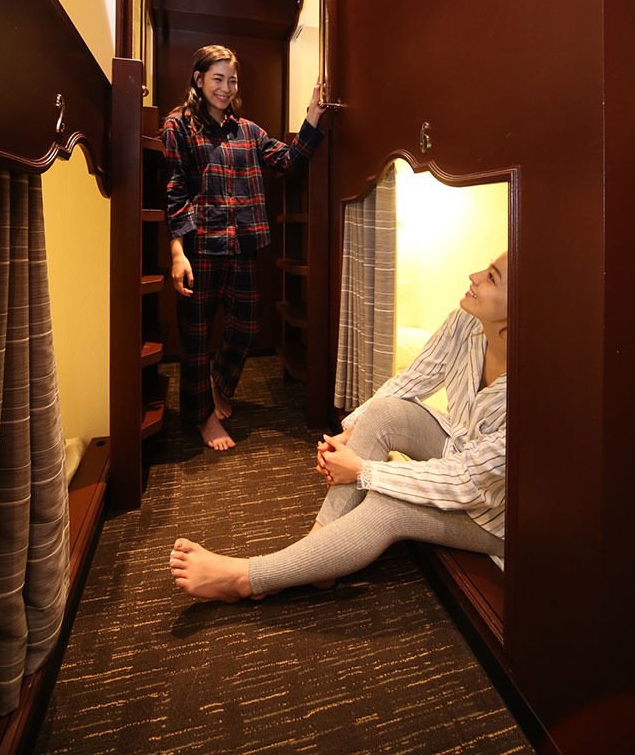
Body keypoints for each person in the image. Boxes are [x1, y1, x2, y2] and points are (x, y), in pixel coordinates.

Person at [169, 251, 508, 600]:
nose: (474, 275)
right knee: (384, 412)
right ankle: (318, 557)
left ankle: (247, 578)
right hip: (459, 449)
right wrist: (353, 432)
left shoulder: (528, 398)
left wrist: (363, 471)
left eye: (492, 277)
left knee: (389, 504)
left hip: (493, 512)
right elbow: (412, 380)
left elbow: (468, 482)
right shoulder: (466, 323)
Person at [161, 44, 325, 451]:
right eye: (217, 79)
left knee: (248, 325)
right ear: (198, 80)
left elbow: (290, 161)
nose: (225, 88)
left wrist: (312, 115)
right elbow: (174, 190)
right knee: (196, 336)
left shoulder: (248, 131)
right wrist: (177, 251)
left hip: (244, 245)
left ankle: (217, 386)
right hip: (200, 246)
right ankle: (202, 417)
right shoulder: (178, 126)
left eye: (231, 80)